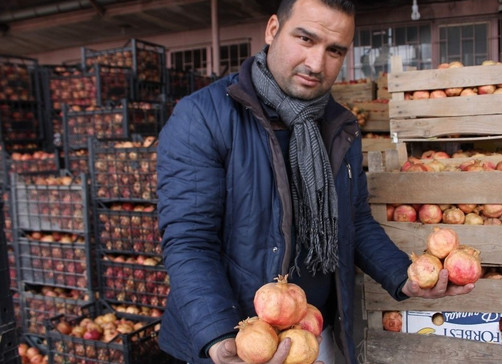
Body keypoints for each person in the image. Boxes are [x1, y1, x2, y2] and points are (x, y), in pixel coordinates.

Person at [156, 0, 474, 363]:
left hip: (313, 337)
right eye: (305, 39)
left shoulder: (339, 124)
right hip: (236, 341)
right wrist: (219, 336)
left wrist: (404, 277)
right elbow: (190, 241)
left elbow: (354, 223)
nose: (316, 64)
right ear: (273, 29)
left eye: (334, 50)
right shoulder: (202, 117)